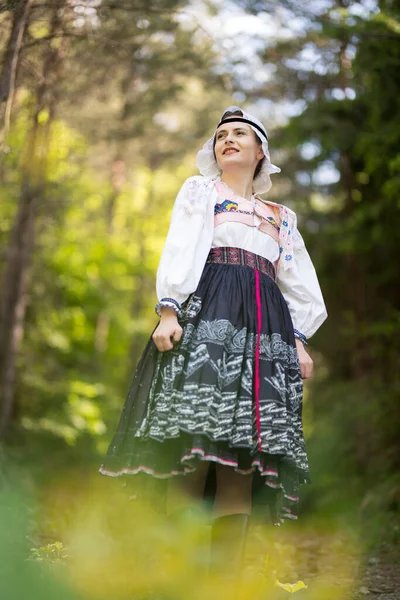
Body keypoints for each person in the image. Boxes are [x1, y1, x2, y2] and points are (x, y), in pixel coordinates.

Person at [99, 105, 328, 586]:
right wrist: (168, 309)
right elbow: (182, 246)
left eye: (240, 133)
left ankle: (223, 586)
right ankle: (173, 580)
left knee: (241, 461)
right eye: (222, 134)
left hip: (266, 333)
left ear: (261, 151)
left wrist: (300, 341)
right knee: (193, 446)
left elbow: (299, 285)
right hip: (208, 320)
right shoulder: (202, 192)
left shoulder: (281, 217)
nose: (228, 139)